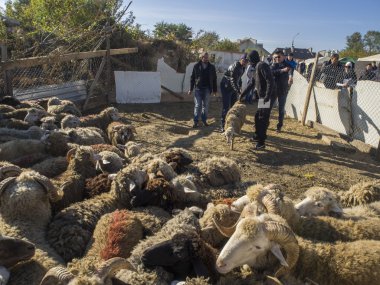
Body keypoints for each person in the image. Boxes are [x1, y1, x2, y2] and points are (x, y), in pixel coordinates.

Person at [240, 50, 274, 150]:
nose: (249, 62)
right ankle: (257, 135)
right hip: (263, 97)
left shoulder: (262, 65)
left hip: (267, 97)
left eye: (249, 60)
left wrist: (267, 96)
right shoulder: (256, 68)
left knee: (262, 119)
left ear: (252, 59)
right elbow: (252, 84)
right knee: (257, 117)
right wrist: (242, 94)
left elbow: (270, 81)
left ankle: (261, 142)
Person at [219, 53, 248, 132]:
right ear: (240, 59)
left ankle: (232, 125)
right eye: (244, 60)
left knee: (233, 108)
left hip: (233, 88)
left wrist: (240, 87)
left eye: (246, 61)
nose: (245, 62)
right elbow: (232, 80)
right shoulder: (235, 66)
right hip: (226, 87)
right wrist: (238, 90)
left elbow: (239, 79)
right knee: (226, 107)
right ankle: (222, 125)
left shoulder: (243, 68)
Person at [188, 51, 217, 128]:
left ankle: (204, 120)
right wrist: (190, 89)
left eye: (207, 57)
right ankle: (196, 122)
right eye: (205, 57)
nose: (206, 58)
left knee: (206, 105)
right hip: (198, 88)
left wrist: (214, 90)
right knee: (198, 105)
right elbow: (192, 78)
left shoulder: (212, 67)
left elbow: (214, 79)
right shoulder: (196, 66)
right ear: (201, 57)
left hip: (207, 89)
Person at [270, 50, 292, 133]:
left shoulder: (288, 64)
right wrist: (282, 70)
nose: (277, 58)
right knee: (269, 107)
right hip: (273, 90)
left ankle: (279, 126)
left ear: (283, 56)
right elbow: (271, 72)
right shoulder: (273, 65)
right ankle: (265, 123)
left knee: (281, 109)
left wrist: (290, 77)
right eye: (275, 57)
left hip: (283, 90)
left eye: (279, 56)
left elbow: (290, 71)